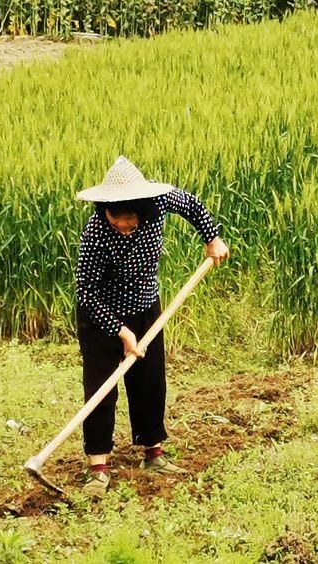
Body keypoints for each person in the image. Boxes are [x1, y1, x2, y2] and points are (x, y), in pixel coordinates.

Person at [74, 156, 230, 497]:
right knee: (101, 389)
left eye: (131, 221)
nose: (125, 226)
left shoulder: (158, 203)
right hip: (101, 316)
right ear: (106, 210)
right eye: (118, 220)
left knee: (150, 382)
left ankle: (153, 453)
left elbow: (190, 203)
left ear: (143, 209)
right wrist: (121, 332)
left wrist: (212, 237)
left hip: (146, 308)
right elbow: (86, 292)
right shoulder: (96, 234)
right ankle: (98, 466)